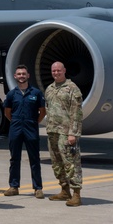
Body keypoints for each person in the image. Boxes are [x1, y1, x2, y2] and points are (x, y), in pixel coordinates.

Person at [3, 64, 46, 198]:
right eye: (19, 74)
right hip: (15, 128)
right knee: (14, 158)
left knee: (34, 159)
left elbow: (42, 112)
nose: (21, 76)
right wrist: (16, 122)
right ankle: (13, 186)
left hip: (30, 128)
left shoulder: (36, 93)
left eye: (23, 74)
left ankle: (38, 188)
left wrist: (33, 122)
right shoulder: (11, 94)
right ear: (15, 76)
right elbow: (7, 112)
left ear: (28, 76)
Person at [44, 61, 83, 207]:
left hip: (66, 133)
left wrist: (73, 133)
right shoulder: (49, 89)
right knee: (57, 163)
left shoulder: (72, 88)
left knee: (71, 163)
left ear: (64, 70)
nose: (56, 73)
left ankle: (76, 194)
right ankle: (64, 190)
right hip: (53, 131)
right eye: (53, 71)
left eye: (58, 70)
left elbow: (77, 113)